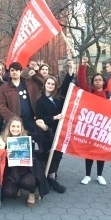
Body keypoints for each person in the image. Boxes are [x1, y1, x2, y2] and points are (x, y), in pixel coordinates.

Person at [35, 59, 75, 193]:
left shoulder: (60, 97)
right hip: (47, 132)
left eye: (53, 84)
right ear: (45, 84)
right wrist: (54, 117)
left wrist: (71, 68)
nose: (50, 85)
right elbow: (40, 117)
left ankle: (52, 175)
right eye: (48, 83)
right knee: (47, 153)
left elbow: (67, 82)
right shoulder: (40, 100)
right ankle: (47, 177)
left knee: (58, 154)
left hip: (60, 131)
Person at [1, 116, 52, 207]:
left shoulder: (28, 135)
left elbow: (48, 138)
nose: (15, 129)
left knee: (28, 183)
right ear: (9, 127)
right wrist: (5, 154)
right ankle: (18, 187)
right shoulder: (4, 139)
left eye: (18, 126)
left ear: (21, 127)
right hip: (13, 172)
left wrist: (44, 127)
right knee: (8, 192)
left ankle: (32, 193)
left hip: (28, 170)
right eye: (13, 126)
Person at [77, 56, 109, 186]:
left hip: (104, 127)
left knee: (100, 152)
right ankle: (87, 175)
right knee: (89, 151)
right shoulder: (89, 91)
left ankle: (100, 175)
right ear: (93, 82)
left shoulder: (110, 94)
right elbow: (81, 81)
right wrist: (83, 65)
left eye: (100, 80)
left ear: (103, 82)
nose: (97, 81)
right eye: (95, 80)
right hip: (91, 126)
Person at [0, 62, 44, 133]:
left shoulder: (29, 82)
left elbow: (43, 84)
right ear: (9, 72)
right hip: (14, 123)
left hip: (31, 120)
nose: (14, 72)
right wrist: (11, 118)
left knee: (31, 141)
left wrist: (36, 74)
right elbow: (0, 105)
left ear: (21, 72)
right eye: (12, 70)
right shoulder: (4, 87)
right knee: (16, 142)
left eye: (17, 70)